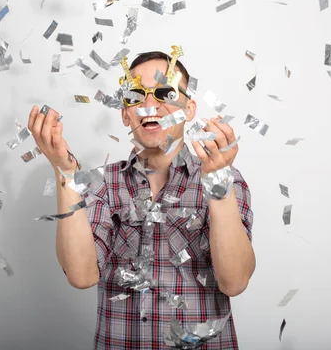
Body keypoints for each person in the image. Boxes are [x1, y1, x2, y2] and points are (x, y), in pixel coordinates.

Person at [27, 48, 255, 349]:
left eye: (164, 93)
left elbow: (235, 281)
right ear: (125, 114)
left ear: (189, 108)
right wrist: (65, 171)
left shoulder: (226, 178)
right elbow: (81, 275)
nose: (150, 105)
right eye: (136, 96)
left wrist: (217, 182)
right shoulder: (102, 184)